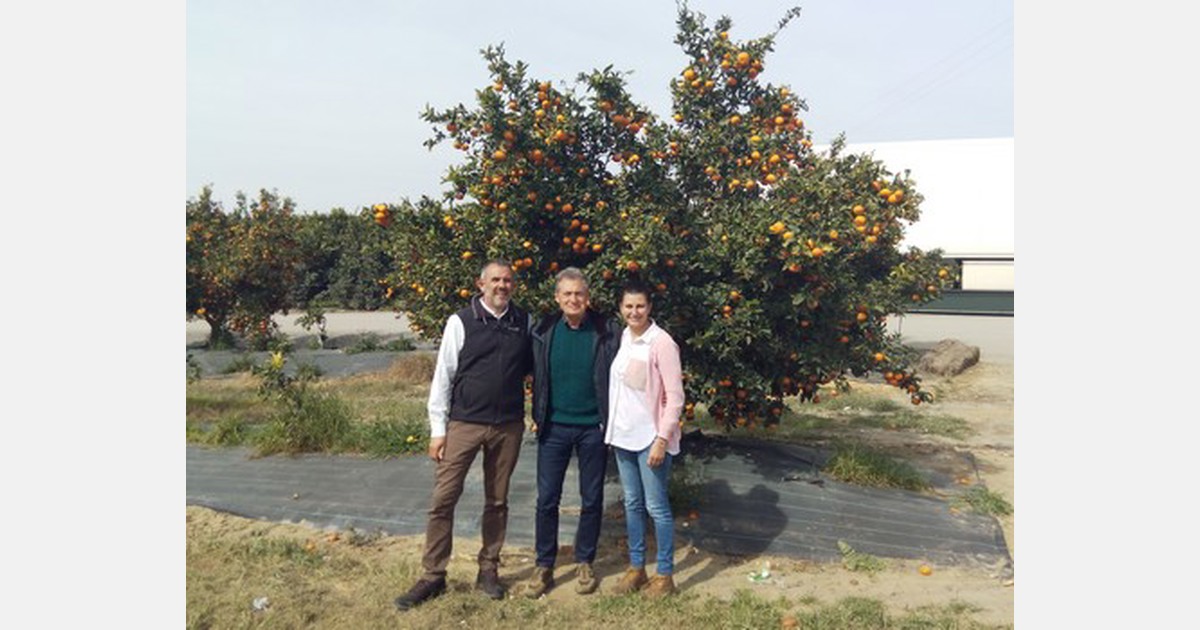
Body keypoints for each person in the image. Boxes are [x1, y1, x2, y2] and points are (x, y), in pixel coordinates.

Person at [394, 260, 534, 611]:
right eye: (495, 280)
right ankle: (433, 575)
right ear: (481, 283)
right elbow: (444, 375)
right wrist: (438, 430)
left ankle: (488, 569)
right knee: (443, 499)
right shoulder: (462, 321)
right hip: (465, 423)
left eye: (508, 281)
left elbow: (534, 373)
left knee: (498, 501)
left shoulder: (523, 321)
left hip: (508, 425)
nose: (502, 286)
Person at [521, 267, 622, 598]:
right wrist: (536, 412)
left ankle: (585, 560)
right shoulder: (544, 329)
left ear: (587, 296)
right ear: (557, 298)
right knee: (547, 499)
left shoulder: (607, 330)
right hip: (553, 427)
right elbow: (529, 373)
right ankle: (544, 565)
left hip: (593, 428)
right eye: (567, 294)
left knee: (591, 499)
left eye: (579, 293)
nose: (573, 299)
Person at [604, 281, 685, 597]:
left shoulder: (661, 343)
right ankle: (636, 568)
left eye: (640, 306)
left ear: (649, 308)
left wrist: (662, 439)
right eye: (628, 306)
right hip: (623, 437)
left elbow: (675, 397)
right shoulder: (623, 337)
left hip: (650, 439)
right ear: (620, 309)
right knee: (633, 504)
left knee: (657, 506)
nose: (634, 312)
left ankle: (664, 575)